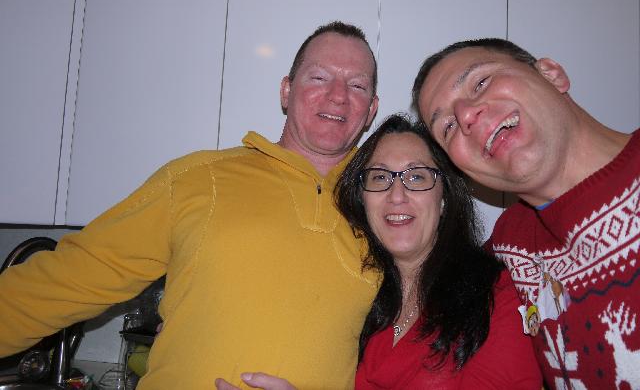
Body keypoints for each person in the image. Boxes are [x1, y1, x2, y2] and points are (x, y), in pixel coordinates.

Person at [0, 21, 381, 389]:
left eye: (357, 85)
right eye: (319, 77)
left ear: (371, 109)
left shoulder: (387, 209)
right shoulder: (198, 179)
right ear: (286, 90)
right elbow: (67, 280)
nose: (337, 94)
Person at [217, 114, 542, 389]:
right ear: (363, 200)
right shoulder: (359, 301)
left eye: (417, 176)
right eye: (380, 177)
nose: (396, 195)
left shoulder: (494, 295)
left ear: (444, 198)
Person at [413, 38, 639, 389]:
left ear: (551, 74)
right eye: (448, 127)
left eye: (480, 82)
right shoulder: (510, 249)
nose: (466, 116)